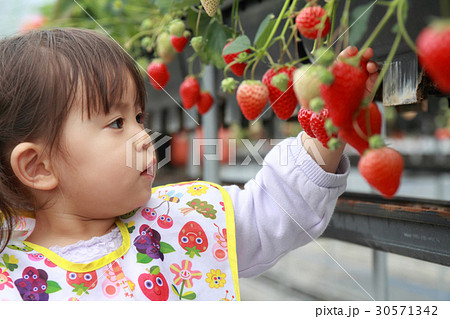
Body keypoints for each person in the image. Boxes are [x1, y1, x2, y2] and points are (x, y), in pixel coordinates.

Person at [0, 28, 377, 301]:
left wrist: (331, 121)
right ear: (38, 167)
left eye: (140, 117)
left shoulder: (184, 222)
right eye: (116, 123)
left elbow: (275, 210)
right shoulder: (12, 287)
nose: (144, 137)